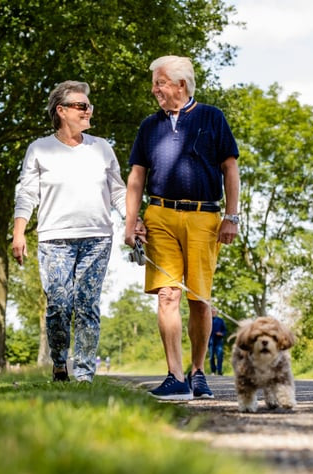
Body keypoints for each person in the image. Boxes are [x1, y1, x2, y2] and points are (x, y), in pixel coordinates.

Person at [124, 55, 240, 400]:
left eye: (160, 82)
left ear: (181, 85)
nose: (154, 89)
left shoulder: (211, 117)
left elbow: (230, 170)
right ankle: (175, 376)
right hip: (160, 214)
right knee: (167, 293)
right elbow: (136, 178)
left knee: (199, 299)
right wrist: (131, 223)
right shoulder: (149, 126)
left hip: (204, 217)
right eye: (155, 83)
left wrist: (231, 217)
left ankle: (198, 372)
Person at [12, 80, 127, 383]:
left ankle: (86, 375)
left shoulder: (101, 148)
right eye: (81, 105)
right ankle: (60, 360)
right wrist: (19, 232)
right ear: (61, 111)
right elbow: (26, 194)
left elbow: (117, 192)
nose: (88, 110)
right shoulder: (40, 149)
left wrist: (132, 221)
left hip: (97, 236)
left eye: (89, 105)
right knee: (59, 304)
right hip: (54, 238)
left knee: (87, 305)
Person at [208, 306, 227, 375]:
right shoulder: (207, 320)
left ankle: (219, 371)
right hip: (210, 341)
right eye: (212, 311)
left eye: (214, 311)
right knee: (211, 356)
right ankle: (213, 371)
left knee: (219, 356)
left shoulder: (220, 320)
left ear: (216, 312)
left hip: (219, 341)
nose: (213, 312)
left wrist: (221, 334)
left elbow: (225, 331)